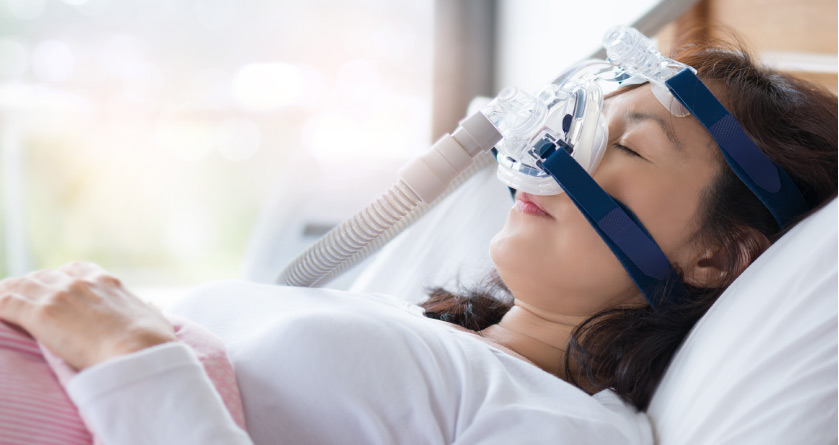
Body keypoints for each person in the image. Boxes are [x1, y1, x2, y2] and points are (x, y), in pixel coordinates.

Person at [0, 37, 836, 444]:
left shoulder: (562, 426)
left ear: (717, 254)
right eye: (581, 123)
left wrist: (131, 351)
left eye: (625, 144)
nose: (554, 153)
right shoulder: (420, 330)